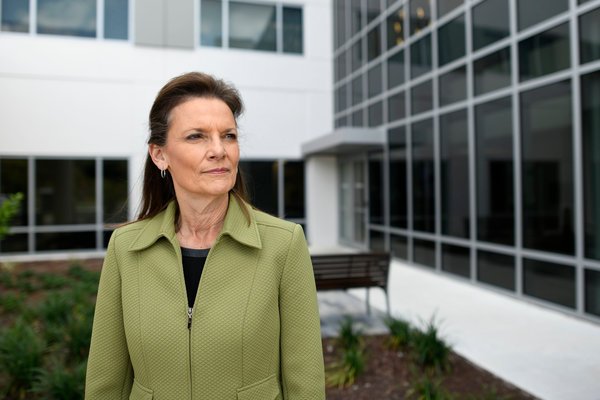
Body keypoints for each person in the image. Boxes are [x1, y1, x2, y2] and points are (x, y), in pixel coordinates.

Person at [85, 72, 325, 399]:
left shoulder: (284, 245)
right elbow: (105, 383)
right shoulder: (125, 249)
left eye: (228, 136)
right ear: (159, 155)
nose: (218, 150)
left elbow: (305, 385)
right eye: (196, 136)